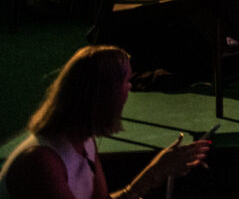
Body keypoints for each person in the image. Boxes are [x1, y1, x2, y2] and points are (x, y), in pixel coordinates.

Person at [0, 45, 211, 197]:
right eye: (126, 82)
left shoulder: (84, 141)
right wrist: (154, 174)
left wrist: (160, 170)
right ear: (104, 95)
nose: (130, 88)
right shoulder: (43, 162)